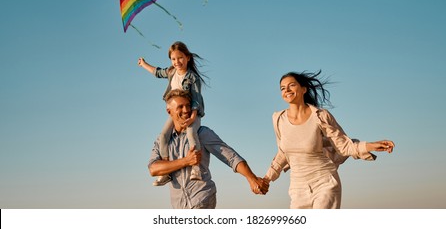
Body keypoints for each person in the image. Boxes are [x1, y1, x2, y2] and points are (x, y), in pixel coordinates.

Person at [263, 71, 395, 209]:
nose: (287, 90)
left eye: (291, 85)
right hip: (297, 189)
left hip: (324, 183)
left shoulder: (320, 116)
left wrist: (371, 146)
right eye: (283, 88)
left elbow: (343, 145)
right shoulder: (278, 119)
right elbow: (283, 152)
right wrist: (267, 178)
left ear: (303, 89)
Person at [148, 89, 268, 208]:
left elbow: (230, 157)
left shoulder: (202, 133)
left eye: (188, 106)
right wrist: (186, 161)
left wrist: (251, 178)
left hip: (202, 199)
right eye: (180, 107)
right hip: (178, 206)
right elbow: (153, 169)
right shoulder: (162, 140)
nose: (186, 110)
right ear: (169, 111)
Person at [138, 41, 207, 186]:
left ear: (187, 57)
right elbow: (157, 72)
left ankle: (196, 168)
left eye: (180, 58)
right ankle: (166, 172)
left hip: (192, 113)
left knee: (191, 133)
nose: (177, 62)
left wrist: (193, 117)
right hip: (176, 115)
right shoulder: (171, 72)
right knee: (163, 136)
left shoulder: (193, 78)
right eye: (173, 59)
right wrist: (144, 64)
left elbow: (196, 100)